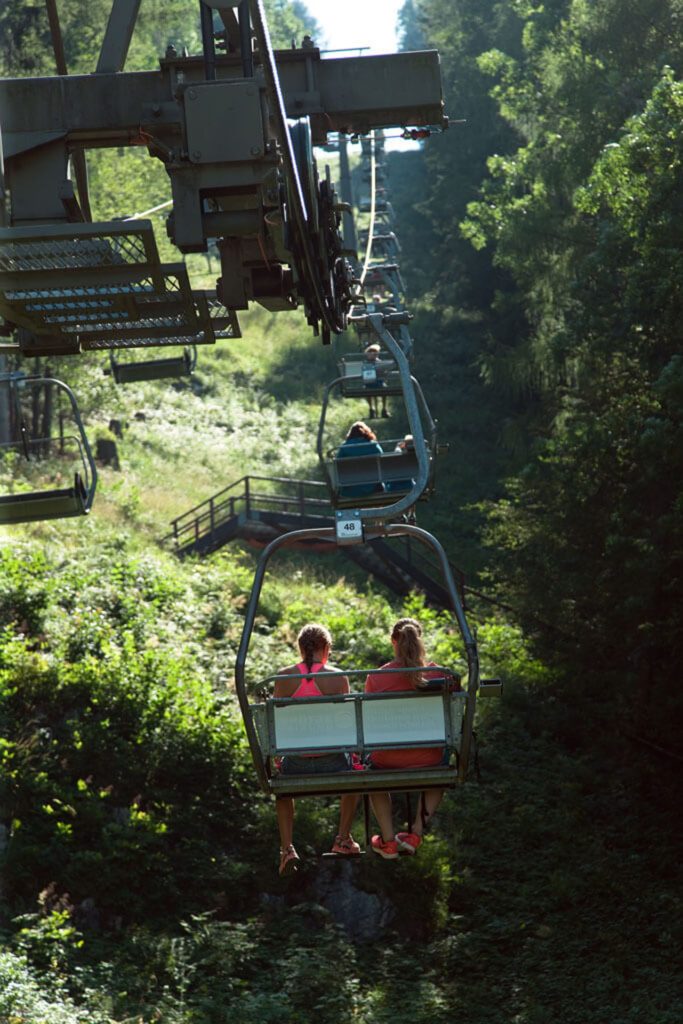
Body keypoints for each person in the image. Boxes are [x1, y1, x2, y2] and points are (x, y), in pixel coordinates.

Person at [274, 623, 360, 876]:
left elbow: (278, 724)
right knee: (354, 778)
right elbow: (347, 723)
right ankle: (343, 837)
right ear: (326, 648)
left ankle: (287, 847)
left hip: (295, 764)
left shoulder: (283, 677)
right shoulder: (337, 676)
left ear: (300, 648)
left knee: (282, 791)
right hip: (332, 761)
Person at [364, 617, 449, 859]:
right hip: (429, 757)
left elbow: (369, 721)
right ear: (420, 639)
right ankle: (416, 832)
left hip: (387, 759)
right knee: (438, 777)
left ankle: (388, 840)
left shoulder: (376, 677)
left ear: (394, 641)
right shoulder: (437, 673)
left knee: (373, 780)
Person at [336, 421, 385, 499]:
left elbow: (337, 467)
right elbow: (383, 461)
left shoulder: (344, 448)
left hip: (350, 492)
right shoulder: (373, 446)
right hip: (373, 489)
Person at [363, 343, 389, 419]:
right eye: (370, 352)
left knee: (385, 388)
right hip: (369, 384)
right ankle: (371, 408)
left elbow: (384, 373)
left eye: (374, 352)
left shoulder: (379, 362)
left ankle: (384, 409)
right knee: (366, 390)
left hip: (379, 383)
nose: (372, 354)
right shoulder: (365, 363)